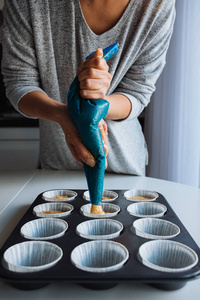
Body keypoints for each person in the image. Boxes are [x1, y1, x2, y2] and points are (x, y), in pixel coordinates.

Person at [1, 0, 176, 176]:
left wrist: (99, 106)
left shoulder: (157, 4)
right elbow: (19, 83)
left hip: (124, 170)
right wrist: (63, 114)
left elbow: (137, 93)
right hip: (56, 166)